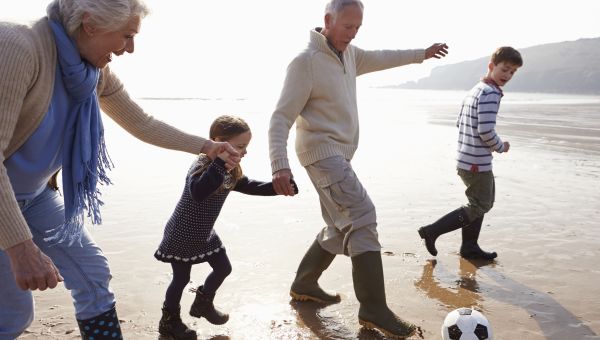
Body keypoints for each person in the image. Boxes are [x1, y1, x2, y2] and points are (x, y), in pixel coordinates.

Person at [0, 1, 240, 339]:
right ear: (90, 24)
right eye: (127, 36)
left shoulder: (91, 72)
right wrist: (20, 248)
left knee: (92, 275)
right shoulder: (16, 47)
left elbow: (142, 122)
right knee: (12, 315)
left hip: (35, 197)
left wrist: (206, 146)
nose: (130, 48)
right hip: (4, 204)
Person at [268, 0, 448, 338]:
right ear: (327, 20)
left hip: (338, 155)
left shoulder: (350, 54)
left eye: (357, 28)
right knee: (362, 215)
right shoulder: (305, 62)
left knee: (341, 224)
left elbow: (384, 56)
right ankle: (373, 308)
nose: (352, 34)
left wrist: (421, 53)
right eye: (347, 26)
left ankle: (304, 283)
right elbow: (280, 118)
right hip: (321, 154)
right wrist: (280, 166)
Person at [154, 115, 298, 340]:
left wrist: (277, 188)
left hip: (204, 233)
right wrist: (220, 163)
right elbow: (199, 192)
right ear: (218, 142)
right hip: (182, 232)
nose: (244, 152)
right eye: (240, 146)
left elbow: (247, 185)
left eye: (246, 147)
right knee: (180, 279)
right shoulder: (203, 163)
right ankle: (169, 322)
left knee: (223, 268)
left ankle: (203, 303)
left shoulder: (230, 170)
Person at [417, 46, 523, 261]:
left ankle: (469, 246)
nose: (508, 75)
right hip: (476, 162)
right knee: (481, 204)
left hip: (466, 157)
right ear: (492, 66)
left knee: (480, 201)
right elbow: (485, 130)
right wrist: (501, 146)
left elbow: (460, 122)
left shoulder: (476, 89)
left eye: (512, 72)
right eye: (504, 69)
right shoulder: (491, 93)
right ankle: (432, 231)